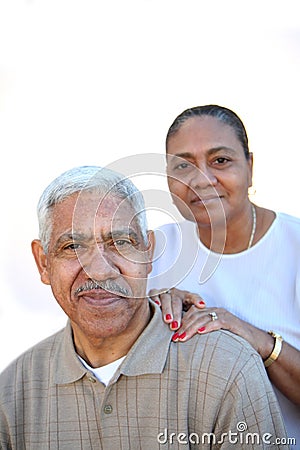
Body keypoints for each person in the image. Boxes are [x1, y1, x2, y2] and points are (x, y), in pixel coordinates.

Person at [0, 166, 288, 449]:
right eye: (73, 246)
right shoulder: (13, 392)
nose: (99, 270)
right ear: (43, 263)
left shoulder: (227, 370)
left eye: (121, 242)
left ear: (148, 251)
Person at [147, 105, 300, 447]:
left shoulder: (294, 247)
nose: (202, 179)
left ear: (250, 167)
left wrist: (260, 341)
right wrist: (147, 313)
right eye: (183, 165)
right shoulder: (152, 252)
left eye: (220, 161)